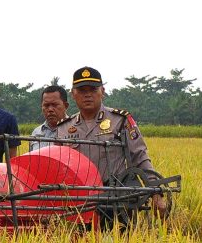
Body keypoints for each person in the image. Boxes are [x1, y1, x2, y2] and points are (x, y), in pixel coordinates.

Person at [58, 66, 167, 216]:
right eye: (82, 90)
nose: (88, 95)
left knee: (121, 238)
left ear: (102, 91)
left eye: (93, 90)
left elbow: (139, 156)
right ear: (73, 94)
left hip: (116, 196)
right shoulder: (64, 128)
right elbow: (56, 166)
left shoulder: (120, 120)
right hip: (78, 200)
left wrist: (155, 190)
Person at [29, 85, 69, 151]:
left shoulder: (75, 130)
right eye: (46, 105)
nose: (50, 109)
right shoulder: (36, 133)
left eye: (55, 105)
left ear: (66, 106)